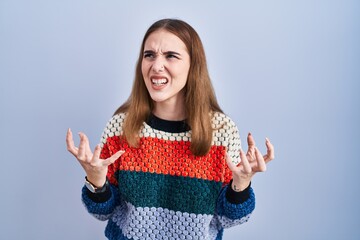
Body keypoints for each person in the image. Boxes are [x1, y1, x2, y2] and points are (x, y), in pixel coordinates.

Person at [66, 18, 274, 240]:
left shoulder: (221, 131)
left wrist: (240, 185)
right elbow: (104, 212)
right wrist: (96, 181)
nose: (156, 66)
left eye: (171, 56)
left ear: (193, 65)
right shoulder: (120, 127)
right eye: (149, 55)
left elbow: (229, 219)